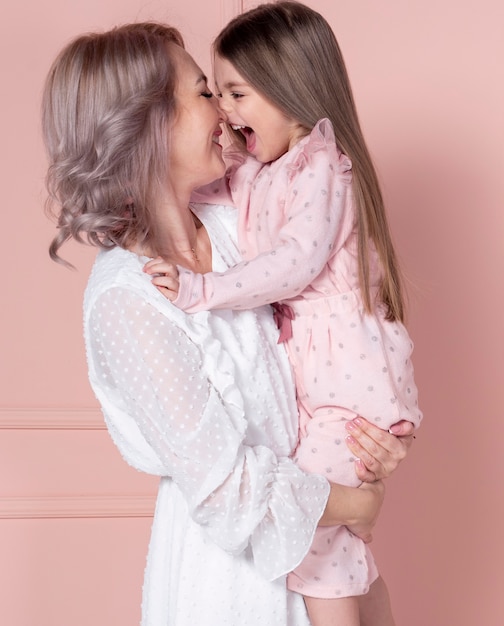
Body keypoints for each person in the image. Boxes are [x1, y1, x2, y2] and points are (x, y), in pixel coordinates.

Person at [42, 21, 414, 626]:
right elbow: (225, 488)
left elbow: (327, 337)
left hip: (324, 553)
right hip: (232, 584)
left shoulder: (234, 227)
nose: (224, 106)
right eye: (203, 92)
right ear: (150, 124)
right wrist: (356, 502)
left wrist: (372, 440)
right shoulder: (126, 301)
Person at [143, 3, 422, 626]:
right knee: (335, 536)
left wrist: (200, 289)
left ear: (291, 91)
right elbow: (185, 187)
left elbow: (294, 263)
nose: (226, 110)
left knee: (319, 536)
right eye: (216, 93)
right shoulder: (259, 169)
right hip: (316, 385)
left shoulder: (320, 167)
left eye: (237, 93)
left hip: (346, 385)